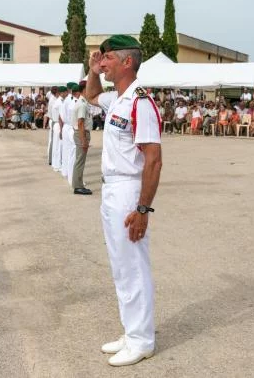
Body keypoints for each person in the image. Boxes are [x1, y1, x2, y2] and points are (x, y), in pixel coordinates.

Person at [84, 35, 162, 367]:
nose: (102, 63)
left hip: (130, 190)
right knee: (120, 265)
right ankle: (131, 332)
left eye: (108, 59)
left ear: (127, 62)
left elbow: (154, 159)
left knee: (133, 265)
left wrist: (142, 209)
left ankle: (142, 340)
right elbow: (90, 95)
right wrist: (91, 70)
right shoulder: (117, 99)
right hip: (112, 189)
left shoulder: (140, 102)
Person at [72, 81, 92, 195]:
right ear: (84, 90)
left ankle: (78, 184)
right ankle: (78, 186)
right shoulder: (82, 104)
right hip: (81, 133)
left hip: (80, 133)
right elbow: (80, 123)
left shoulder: (82, 102)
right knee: (80, 161)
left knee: (79, 160)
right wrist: (83, 139)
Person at [51, 86, 66, 171]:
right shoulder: (60, 102)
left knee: (56, 145)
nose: (67, 94)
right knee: (59, 146)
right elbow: (61, 117)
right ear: (62, 93)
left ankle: (56, 164)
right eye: (66, 92)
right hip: (58, 124)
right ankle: (57, 165)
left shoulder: (58, 101)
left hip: (57, 123)